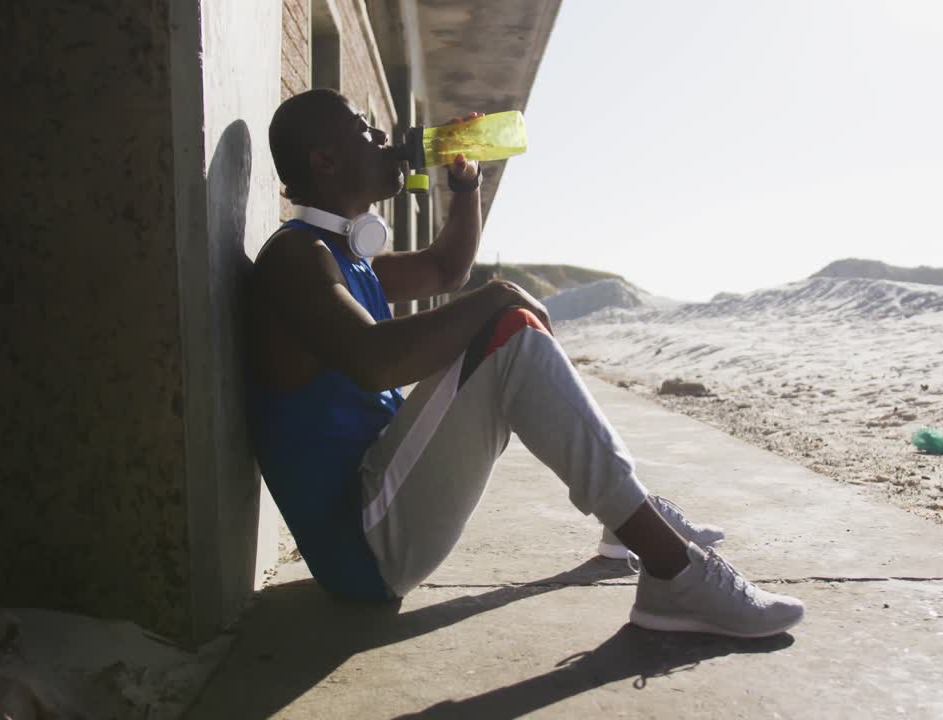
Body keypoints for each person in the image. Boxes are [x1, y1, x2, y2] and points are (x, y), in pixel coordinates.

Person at [247, 88, 804, 638]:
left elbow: (445, 270)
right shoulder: (296, 257)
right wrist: (496, 297)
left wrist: (467, 186)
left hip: (381, 500)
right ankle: (674, 573)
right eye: (364, 130)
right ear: (325, 160)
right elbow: (375, 362)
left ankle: (630, 518)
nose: (382, 136)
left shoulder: (344, 256)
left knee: (502, 328)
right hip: (364, 545)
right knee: (508, 332)